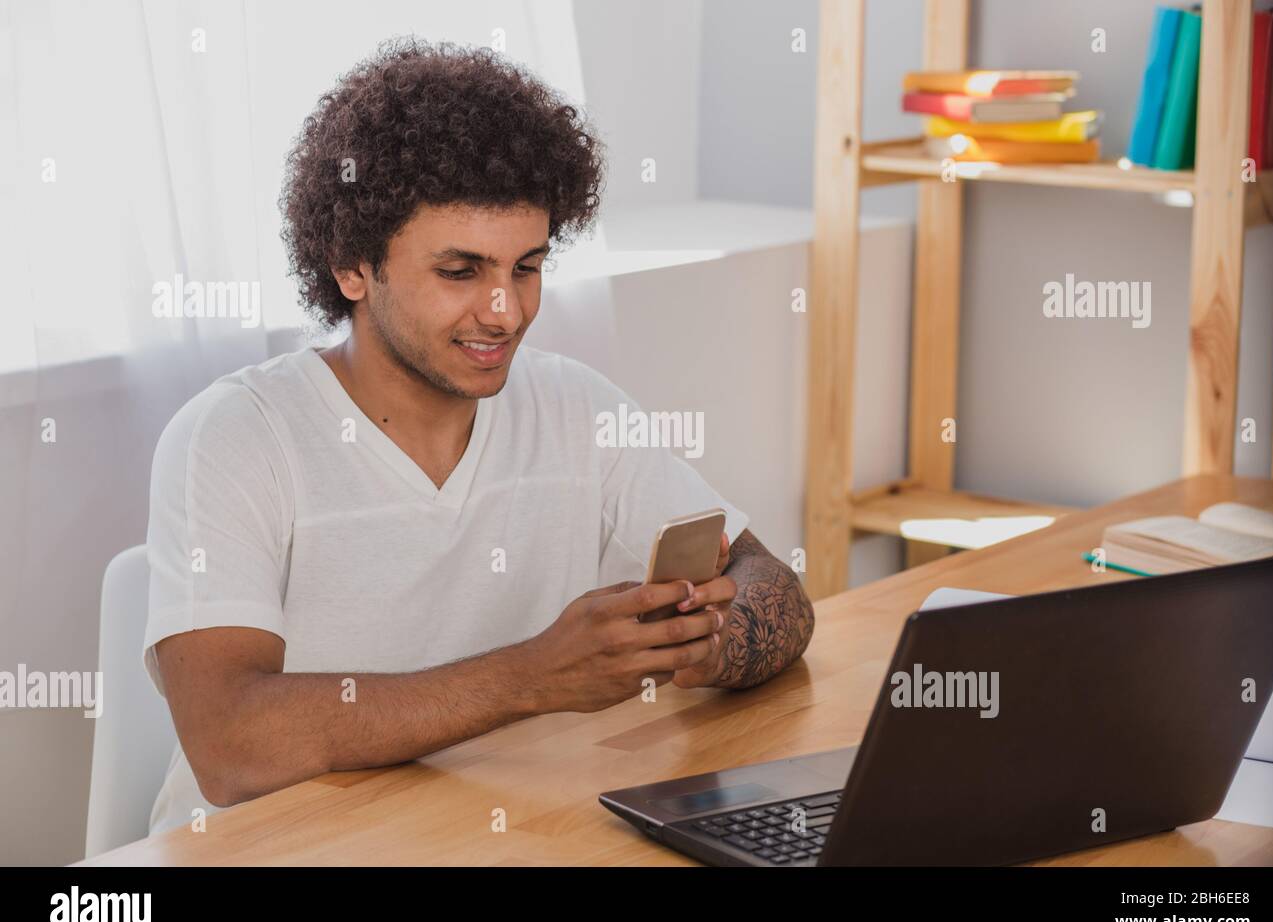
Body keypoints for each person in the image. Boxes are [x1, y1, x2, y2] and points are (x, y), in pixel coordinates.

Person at [143, 37, 814, 835]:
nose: (506, 311)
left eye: (525, 267)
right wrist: (532, 677)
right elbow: (230, 744)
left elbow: (777, 588)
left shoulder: (575, 407)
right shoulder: (235, 438)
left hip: (494, 836)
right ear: (352, 266)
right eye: (461, 273)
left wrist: (703, 645)